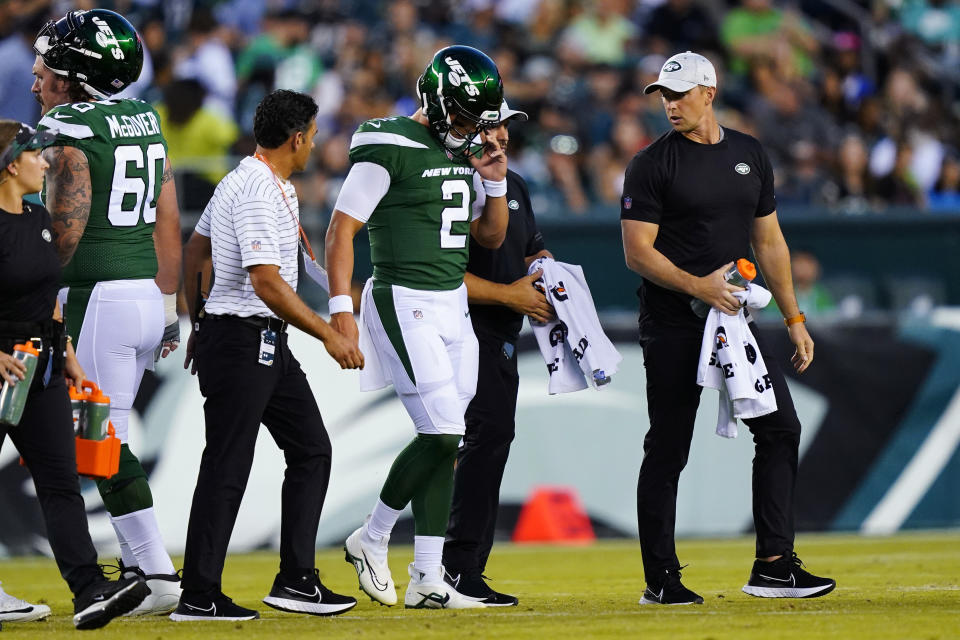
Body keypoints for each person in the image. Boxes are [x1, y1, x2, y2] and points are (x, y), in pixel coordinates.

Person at [619, 51, 836, 605]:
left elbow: (770, 242)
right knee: (668, 447)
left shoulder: (749, 153)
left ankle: (773, 566)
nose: (670, 105)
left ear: (709, 92)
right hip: (672, 323)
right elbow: (636, 253)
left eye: (680, 93)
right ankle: (661, 580)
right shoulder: (650, 163)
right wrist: (699, 286)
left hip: (732, 324)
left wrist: (794, 318)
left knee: (781, 429)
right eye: (664, 96)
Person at [326, 44, 508, 610]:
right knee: (440, 433)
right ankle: (373, 535)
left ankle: (429, 578)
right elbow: (340, 230)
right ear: (432, 98)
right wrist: (340, 310)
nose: (470, 129)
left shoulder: (464, 150)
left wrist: (496, 181)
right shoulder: (389, 143)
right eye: (461, 116)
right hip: (404, 299)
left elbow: (491, 238)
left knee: (448, 441)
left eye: (478, 119)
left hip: (453, 300)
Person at [174, 89, 363, 622]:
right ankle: (199, 594)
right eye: (314, 134)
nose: (316, 143)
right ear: (297, 137)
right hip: (243, 339)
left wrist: (199, 319)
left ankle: (296, 580)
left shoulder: (249, 179)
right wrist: (328, 332)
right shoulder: (257, 190)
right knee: (228, 464)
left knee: (311, 450)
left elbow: (196, 249)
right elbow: (265, 282)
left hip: (252, 339)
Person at [32, 8, 183, 615]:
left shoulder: (69, 125)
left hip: (95, 296)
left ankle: (156, 572)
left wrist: (27, 289)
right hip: (144, 295)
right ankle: (146, 570)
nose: (38, 80)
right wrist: (169, 305)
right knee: (100, 439)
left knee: (99, 439)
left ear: (73, 75)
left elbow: (63, 234)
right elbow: (167, 216)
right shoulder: (143, 117)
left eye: (48, 71)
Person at [0, 119, 149, 629]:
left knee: (61, 481)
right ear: (9, 165)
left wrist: (65, 351)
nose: (45, 162)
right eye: (36, 154)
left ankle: (89, 590)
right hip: (1, 364)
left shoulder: (37, 215)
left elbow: (49, 298)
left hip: (37, 369)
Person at [442, 101, 553, 607]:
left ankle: (462, 565)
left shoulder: (516, 184)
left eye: (504, 125)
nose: (500, 135)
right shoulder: (449, 185)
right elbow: (439, 275)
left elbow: (528, 247)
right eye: (489, 125)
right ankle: (455, 565)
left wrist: (544, 268)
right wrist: (511, 294)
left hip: (501, 334)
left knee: (491, 439)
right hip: (462, 331)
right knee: (475, 439)